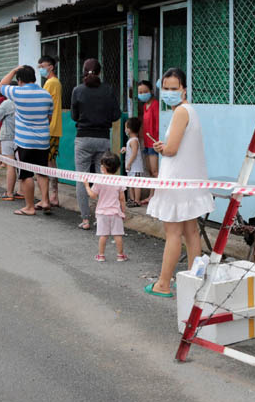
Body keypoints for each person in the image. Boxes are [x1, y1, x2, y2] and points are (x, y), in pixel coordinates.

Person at [144, 68, 213, 298]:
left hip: (176, 182)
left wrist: (163, 148)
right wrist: (165, 147)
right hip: (190, 181)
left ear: (184, 89)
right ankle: (194, 281)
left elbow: (171, 150)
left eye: (174, 88)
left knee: (173, 234)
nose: (169, 92)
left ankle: (163, 284)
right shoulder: (190, 111)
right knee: (191, 232)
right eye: (166, 88)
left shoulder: (180, 112)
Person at [71, 58, 121, 230]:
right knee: (104, 178)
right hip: (103, 139)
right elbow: (116, 115)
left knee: (81, 178)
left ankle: (85, 219)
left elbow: (74, 116)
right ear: (100, 72)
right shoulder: (108, 90)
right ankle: (102, 217)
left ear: (84, 71)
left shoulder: (78, 90)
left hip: (83, 138)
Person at [0, 64, 53, 217]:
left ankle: (29, 207)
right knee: (42, 172)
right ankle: (45, 201)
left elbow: (1, 86)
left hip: (25, 142)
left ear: (20, 80)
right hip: (43, 141)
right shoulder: (46, 95)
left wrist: (14, 69)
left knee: (26, 174)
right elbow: (49, 118)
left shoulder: (17, 92)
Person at [87, 153, 128, 262]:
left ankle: (101, 255)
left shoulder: (99, 180)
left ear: (104, 168)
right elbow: (122, 199)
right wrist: (123, 211)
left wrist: (86, 185)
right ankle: (120, 255)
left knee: (103, 235)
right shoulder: (119, 180)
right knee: (118, 235)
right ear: (118, 168)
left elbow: (93, 195)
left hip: (102, 213)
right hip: (115, 212)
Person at [38, 55, 63, 207]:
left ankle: (51, 196)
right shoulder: (53, 82)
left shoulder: (51, 83)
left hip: (49, 128)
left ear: (51, 67)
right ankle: (51, 196)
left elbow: (44, 105)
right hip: (52, 128)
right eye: (39, 66)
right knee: (50, 161)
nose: (41, 68)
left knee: (48, 163)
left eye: (43, 66)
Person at [0, 96, 18, 201]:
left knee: (10, 165)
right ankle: (21, 191)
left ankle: (9, 193)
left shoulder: (7, 103)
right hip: (21, 137)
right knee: (21, 166)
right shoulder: (22, 101)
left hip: (8, 136)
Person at [123, 116, 146, 206]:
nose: (125, 129)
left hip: (135, 167)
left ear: (129, 129)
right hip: (131, 167)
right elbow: (132, 150)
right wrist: (126, 149)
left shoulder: (134, 140)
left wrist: (129, 163)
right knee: (131, 183)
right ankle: (132, 199)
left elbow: (134, 153)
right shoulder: (131, 140)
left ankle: (137, 200)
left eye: (126, 127)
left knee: (136, 183)